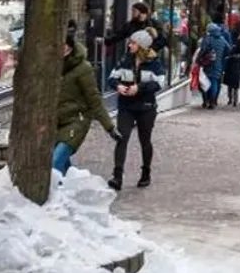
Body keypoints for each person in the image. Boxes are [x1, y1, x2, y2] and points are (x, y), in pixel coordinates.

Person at [53, 36, 115, 176]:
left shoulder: (83, 68)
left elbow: (94, 99)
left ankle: (58, 194)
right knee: (63, 165)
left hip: (76, 120)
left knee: (55, 162)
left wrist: (109, 127)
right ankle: (67, 190)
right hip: (56, 122)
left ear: (69, 47)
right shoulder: (53, 66)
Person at [111, 29, 165, 190]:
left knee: (145, 140)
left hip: (146, 107)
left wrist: (139, 88)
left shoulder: (154, 62)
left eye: (133, 42)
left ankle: (146, 172)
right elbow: (112, 77)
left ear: (141, 45)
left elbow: (159, 83)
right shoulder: (125, 59)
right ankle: (117, 176)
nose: (130, 45)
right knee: (122, 137)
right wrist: (118, 86)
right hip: (126, 105)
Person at [196, 21, 231, 110]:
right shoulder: (222, 38)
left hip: (207, 63)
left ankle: (207, 100)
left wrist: (198, 60)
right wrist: (222, 56)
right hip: (218, 63)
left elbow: (202, 50)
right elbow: (228, 49)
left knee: (205, 82)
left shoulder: (207, 39)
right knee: (214, 81)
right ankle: (213, 101)